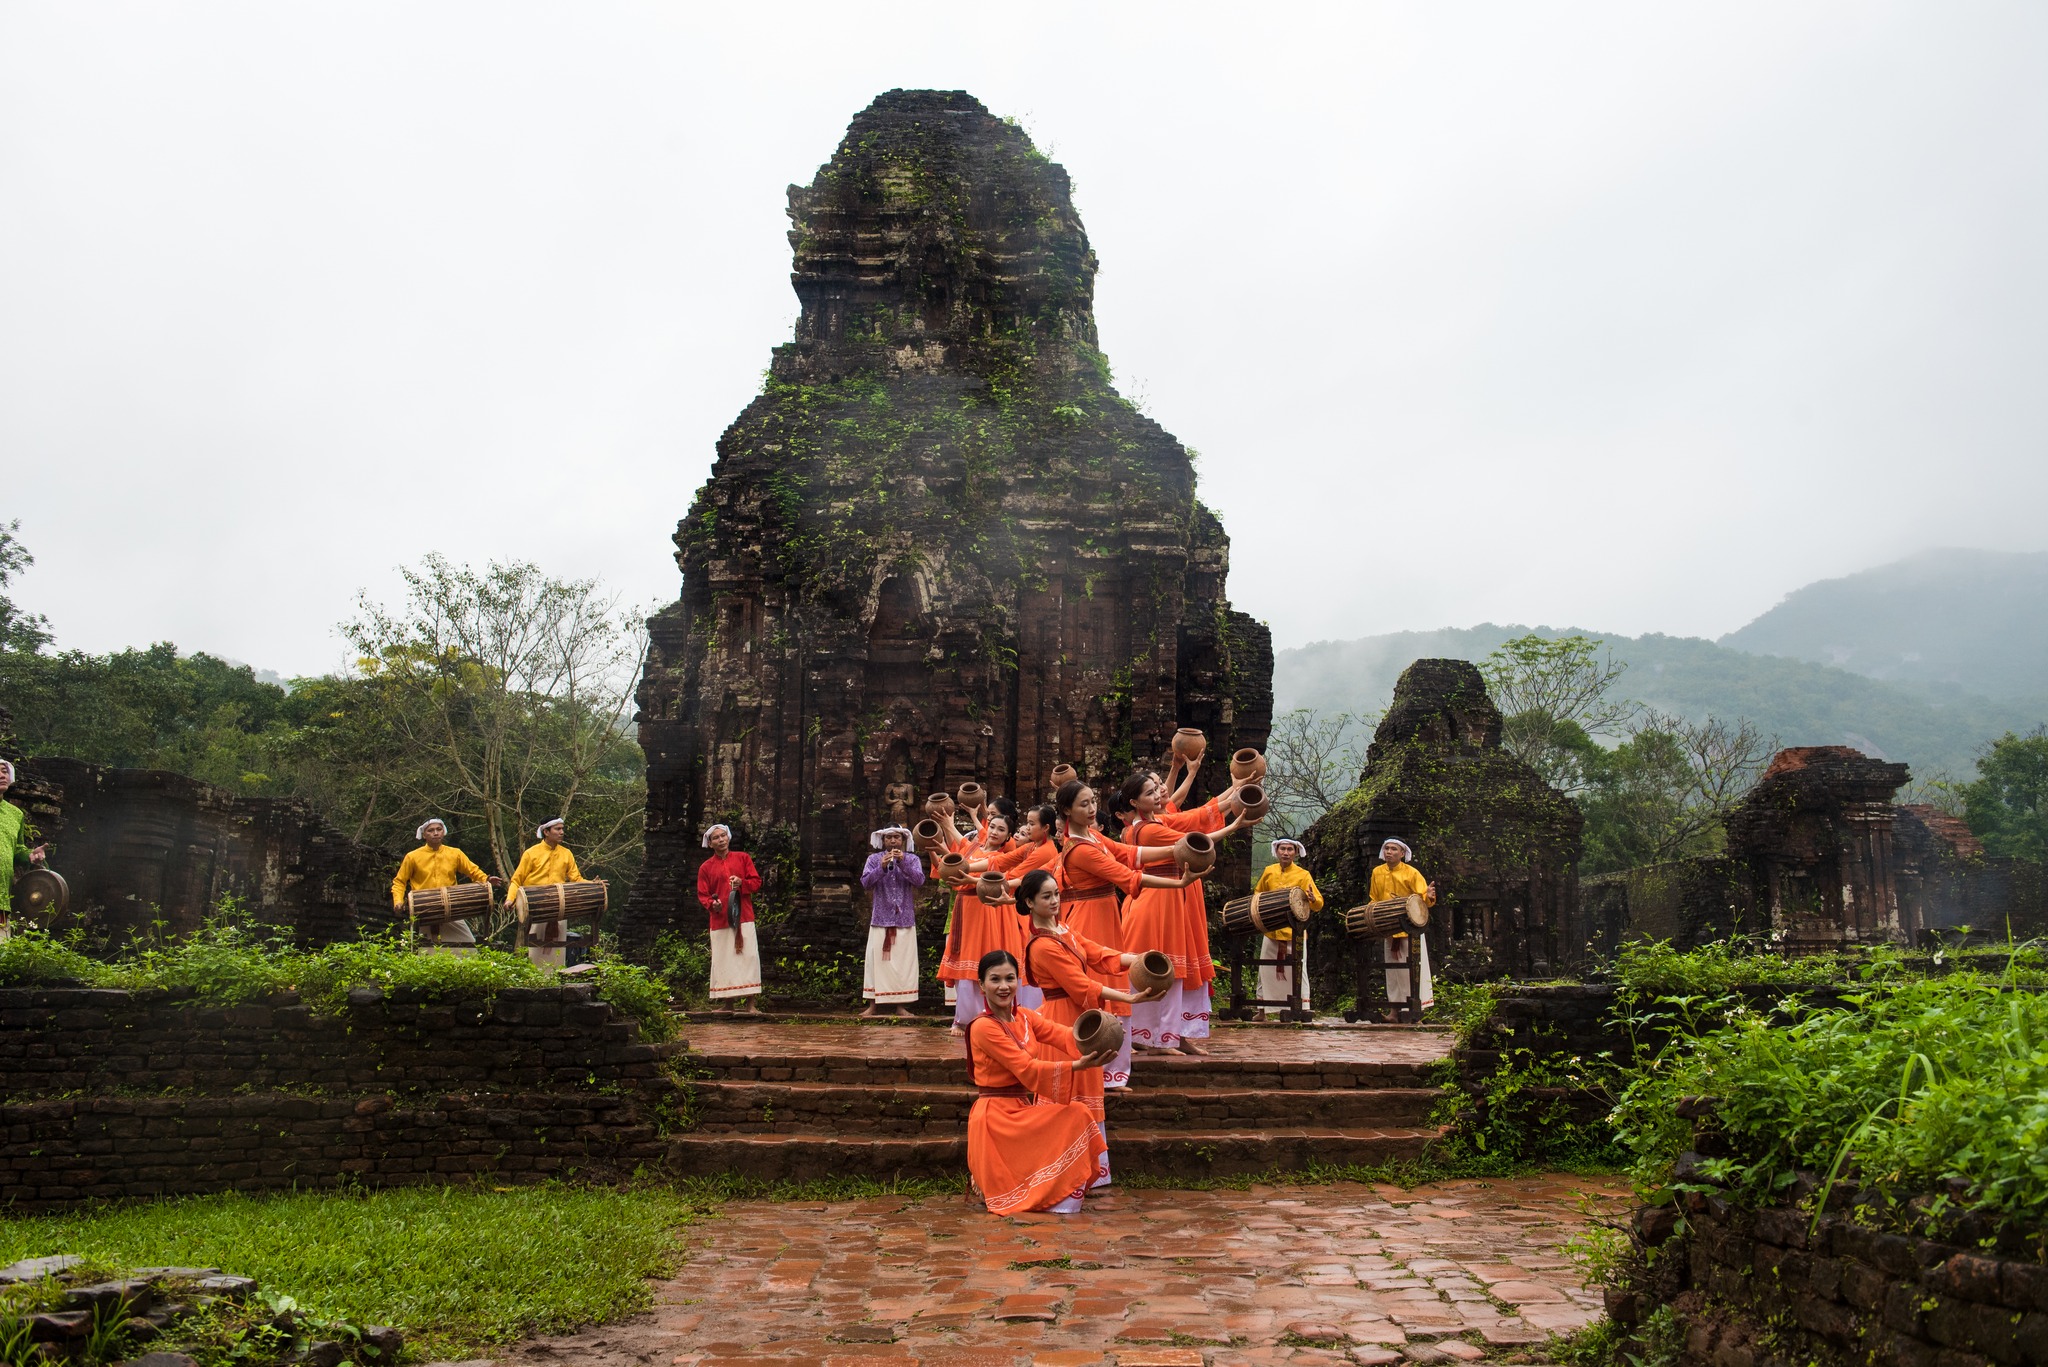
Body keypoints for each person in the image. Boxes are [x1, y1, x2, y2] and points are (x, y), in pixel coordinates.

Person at [1015, 868, 1166, 1186]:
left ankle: (1089, 1172)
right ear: (1029, 902)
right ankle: (1065, 1172)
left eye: (1056, 893)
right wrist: (1131, 998)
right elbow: (1081, 985)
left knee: (1086, 1088)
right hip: (1062, 1019)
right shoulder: (1042, 945)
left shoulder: (1062, 929)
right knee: (1070, 1091)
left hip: (1082, 1017)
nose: (1055, 900)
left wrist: (1135, 958)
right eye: (1047, 896)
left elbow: (1096, 953)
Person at [1051, 779, 1194, 1088]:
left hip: (1103, 915)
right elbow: (1126, 875)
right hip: (1089, 920)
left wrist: (1178, 849)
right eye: (1083, 804)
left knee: (1109, 979)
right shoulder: (1081, 849)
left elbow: (1131, 853)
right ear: (1066, 811)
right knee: (1099, 985)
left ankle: (1109, 1071)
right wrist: (1178, 883)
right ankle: (1099, 1072)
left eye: (1092, 802)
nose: (1091, 809)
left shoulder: (1092, 837)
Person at [964, 949, 1117, 1215]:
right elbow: (1026, 1069)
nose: (1004, 986)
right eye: (995, 980)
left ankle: (1060, 1197)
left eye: (1010, 978)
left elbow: (1065, 1035)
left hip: (1019, 1109)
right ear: (982, 985)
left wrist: (1101, 1032)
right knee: (1075, 1114)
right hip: (995, 1118)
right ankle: (1045, 1196)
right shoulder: (983, 1027)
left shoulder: (1024, 1016)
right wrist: (1077, 1066)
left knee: (1078, 1113)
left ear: (1018, 981)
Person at [1113, 761, 1249, 1055]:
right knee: (1158, 969)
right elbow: (1191, 841)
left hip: (1168, 900)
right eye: (1150, 792)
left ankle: (1165, 1036)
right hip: (1156, 902)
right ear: (1134, 802)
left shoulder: (1156, 823)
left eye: (1156, 789)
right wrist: (1235, 825)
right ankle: (1154, 1037)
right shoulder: (1146, 832)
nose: (1159, 795)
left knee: (1168, 969)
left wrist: (1235, 790)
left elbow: (1194, 818)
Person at [940, 809, 1038, 1033]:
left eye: (1001, 829)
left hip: (991, 912)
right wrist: (947, 823)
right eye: (992, 826)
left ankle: (995, 1015)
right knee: (967, 961)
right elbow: (959, 844)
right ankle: (965, 1018)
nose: (994, 832)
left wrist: (969, 876)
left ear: (1008, 837)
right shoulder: (974, 848)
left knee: (989, 959)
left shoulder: (1004, 856)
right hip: (966, 910)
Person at [390, 817, 499, 955]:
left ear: (443, 832)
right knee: (418, 950)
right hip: (424, 909)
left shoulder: (455, 853)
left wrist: (486, 879)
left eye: (439, 829)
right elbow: (399, 881)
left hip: (452, 909)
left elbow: (472, 870)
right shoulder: (412, 857)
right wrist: (398, 901)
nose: (435, 833)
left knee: (469, 949)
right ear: (424, 835)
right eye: (431, 830)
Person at [1252, 837, 1324, 1013]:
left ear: (1296, 853)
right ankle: (1262, 1010)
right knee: (1265, 969)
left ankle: (1303, 1008)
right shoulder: (1269, 871)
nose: (1285, 852)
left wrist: (1313, 899)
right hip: (1271, 929)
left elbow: (1318, 902)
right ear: (1276, 852)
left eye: (1289, 849)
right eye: (1282, 849)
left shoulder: (1303, 874)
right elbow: (1258, 894)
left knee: (1299, 969)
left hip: (1295, 931)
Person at [696, 824, 763, 1010]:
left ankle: (751, 1004)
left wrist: (742, 883)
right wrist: (713, 904)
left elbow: (756, 883)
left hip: (744, 916)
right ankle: (728, 1004)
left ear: (729, 837)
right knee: (724, 959)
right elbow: (703, 894)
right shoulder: (705, 868)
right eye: (716, 838)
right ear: (710, 844)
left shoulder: (743, 858)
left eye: (723, 836)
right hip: (720, 920)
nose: (721, 840)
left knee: (749, 957)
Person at [860, 826, 925, 1016]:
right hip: (880, 918)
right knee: (875, 963)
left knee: (904, 964)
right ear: (883, 841)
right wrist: (881, 867)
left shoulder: (912, 859)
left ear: (903, 840)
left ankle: (901, 1005)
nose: (893, 841)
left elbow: (919, 881)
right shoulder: (873, 859)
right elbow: (865, 883)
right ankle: (873, 1005)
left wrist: (903, 863)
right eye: (889, 837)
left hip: (904, 919)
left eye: (896, 837)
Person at [506, 817, 586, 969]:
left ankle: (555, 978)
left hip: (559, 908)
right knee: (536, 949)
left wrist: (593, 884)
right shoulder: (531, 853)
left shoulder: (566, 853)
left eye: (562, 829)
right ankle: (536, 979)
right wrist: (510, 899)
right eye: (558, 829)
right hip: (536, 907)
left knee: (558, 949)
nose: (562, 832)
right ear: (546, 832)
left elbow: (576, 878)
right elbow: (517, 880)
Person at [1372, 837, 1438, 1014]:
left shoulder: (1412, 873)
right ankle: (1394, 1011)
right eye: (1387, 848)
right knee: (1392, 972)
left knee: (1414, 969)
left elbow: (1422, 899)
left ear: (1402, 853)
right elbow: (1374, 899)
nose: (1389, 852)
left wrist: (1429, 896)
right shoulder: (1377, 872)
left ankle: (1416, 1010)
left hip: (1410, 928)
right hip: (1389, 927)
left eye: (1394, 849)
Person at [0, 758, 48, 941]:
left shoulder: (15, 814)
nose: (2, 775)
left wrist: (30, 854)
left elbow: (17, 848)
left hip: (2, 900)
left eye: (4, 771)